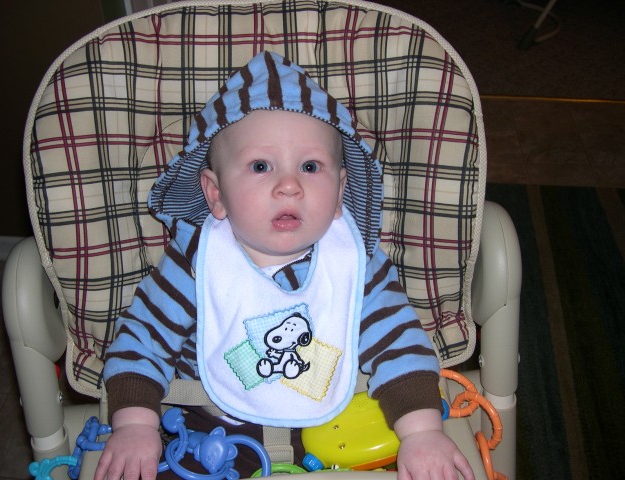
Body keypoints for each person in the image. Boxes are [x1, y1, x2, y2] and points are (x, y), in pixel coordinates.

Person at [95, 51, 473, 480]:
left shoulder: (354, 264)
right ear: (215, 194)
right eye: (261, 166)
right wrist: (134, 424)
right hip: (211, 443)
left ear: (340, 191)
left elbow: (400, 343)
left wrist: (421, 432)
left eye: (310, 167)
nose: (290, 185)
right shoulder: (198, 263)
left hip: (334, 442)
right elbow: (142, 341)